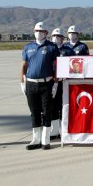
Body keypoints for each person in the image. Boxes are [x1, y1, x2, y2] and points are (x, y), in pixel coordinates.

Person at [21, 22, 60, 150]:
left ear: (46, 33)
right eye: (36, 31)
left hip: (46, 84)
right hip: (31, 83)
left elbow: (57, 66)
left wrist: (55, 83)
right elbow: (24, 66)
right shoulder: (28, 47)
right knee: (34, 112)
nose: (38, 33)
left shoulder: (52, 47)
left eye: (41, 31)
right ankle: (35, 139)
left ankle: (45, 140)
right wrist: (22, 82)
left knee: (46, 111)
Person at [49, 28, 72, 140]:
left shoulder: (68, 50)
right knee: (53, 106)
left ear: (63, 38)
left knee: (64, 105)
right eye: (54, 35)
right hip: (51, 82)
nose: (56, 38)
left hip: (64, 82)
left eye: (59, 36)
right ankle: (54, 131)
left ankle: (64, 130)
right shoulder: (49, 49)